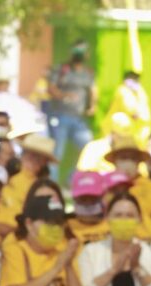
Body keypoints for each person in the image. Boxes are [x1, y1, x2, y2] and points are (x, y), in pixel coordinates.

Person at [47, 40, 97, 183]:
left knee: (87, 146)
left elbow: (93, 90)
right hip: (60, 116)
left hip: (79, 118)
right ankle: (52, 183)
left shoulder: (88, 73)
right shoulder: (62, 69)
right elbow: (51, 88)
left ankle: (72, 180)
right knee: (57, 152)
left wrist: (92, 106)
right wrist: (64, 95)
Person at [0, 133, 56, 238]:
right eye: (30, 154)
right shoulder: (4, 172)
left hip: (14, 236)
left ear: (44, 162)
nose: (33, 159)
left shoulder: (42, 188)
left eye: (39, 157)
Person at [105, 135, 151, 238]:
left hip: (145, 240)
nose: (127, 162)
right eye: (123, 158)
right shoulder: (105, 186)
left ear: (138, 161)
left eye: (132, 158)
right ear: (114, 161)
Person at [105, 71, 151, 144]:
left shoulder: (139, 91)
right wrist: (134, 113)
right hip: (122, 129)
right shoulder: (123, 90)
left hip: (138, 128)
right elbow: (129, 107)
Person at [69, 171, 110, 245]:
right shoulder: (66, 227)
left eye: (93, 198)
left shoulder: (112, 225)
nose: (88, 203)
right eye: (83, 199)